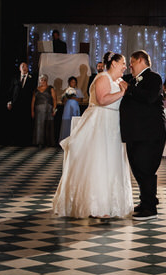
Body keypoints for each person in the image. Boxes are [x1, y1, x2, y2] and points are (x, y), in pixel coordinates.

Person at [52, 53, 133, 218]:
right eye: (123, 63)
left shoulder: (118, 80)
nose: (125, 66)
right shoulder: (103, 78)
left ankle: (112, 205)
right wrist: (122, 93)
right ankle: (97, 206)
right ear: (114, 63)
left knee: (112, 162)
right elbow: (102, 100)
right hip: (100, 123)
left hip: (113, 125)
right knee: (99, 161)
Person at [120, 50, 166, 218]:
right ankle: (146, 200)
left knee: (146, 168)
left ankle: (150, 208)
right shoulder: (132, 80)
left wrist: (130, 88)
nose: (130, 66)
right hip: (136, 133)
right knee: (138, 168)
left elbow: (150, 98)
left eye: (131, 62)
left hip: (151, 133)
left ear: (140, 60)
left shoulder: (154, 78)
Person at [6, 61, 36, 145]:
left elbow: (34, 92)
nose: (24, 68)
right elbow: (10, 91)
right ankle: (15, 140)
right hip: (16, 104)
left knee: (25, 123)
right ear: (20, 68)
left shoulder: (32, 78)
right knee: (15, 122)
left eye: (26, 66)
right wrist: (9, 102)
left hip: (27, 104)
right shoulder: (15, 78)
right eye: (22, 66)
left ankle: (26, 141)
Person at [32, 74, 57, 146]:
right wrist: (32, 111)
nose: (42, 81)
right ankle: (39, 142)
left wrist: (54, 110)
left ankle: (48, 142)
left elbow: (55, 100)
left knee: (48, 125)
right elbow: (33, 101)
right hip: (38, 111)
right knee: (39, 126)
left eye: (44, 80)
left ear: (46, 80)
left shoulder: (50, 88)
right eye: (41, 80)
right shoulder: (36, 90)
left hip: (48, 110)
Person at [58, 76, 83, 142]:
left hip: (75, 108)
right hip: (68, 108)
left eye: (74, 82)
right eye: (72, 82)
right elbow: (63, 100)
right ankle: (66, 140)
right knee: (67, 122)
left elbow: (81, 100)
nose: (73, 83)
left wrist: (73, 97)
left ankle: (75, 140)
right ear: (69, 83)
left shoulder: (78, 90)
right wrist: (67, 96)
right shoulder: (67, 90)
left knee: (75, 122)